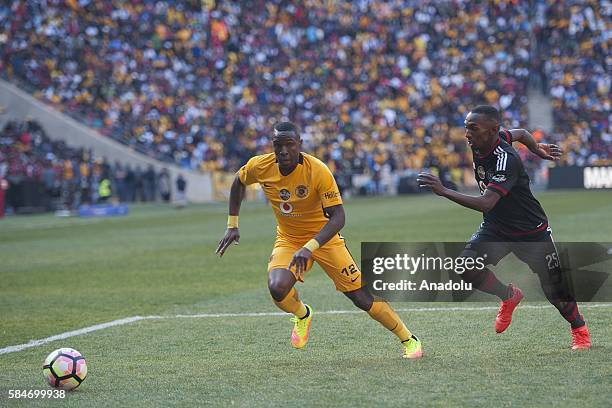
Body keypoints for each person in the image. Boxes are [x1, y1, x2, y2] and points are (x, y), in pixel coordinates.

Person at [216, 121, 423, 359]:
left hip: (325, 240)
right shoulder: (260, 166)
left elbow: (338, 217)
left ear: (300, 145)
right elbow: (238, 182)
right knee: (277, 288)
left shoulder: (318, 170)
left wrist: (310, 247)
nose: (283, 151)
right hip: (289, 240)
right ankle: (303, 314)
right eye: (278, 145)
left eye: (289, 145)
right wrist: (232, 224)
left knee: (361, 298)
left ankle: (409, 339)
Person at [417, 105, 591, 350]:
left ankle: (579, 329)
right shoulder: (484, 141)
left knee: (555, 290)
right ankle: (509, 296)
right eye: (466, 127)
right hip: (496, 228)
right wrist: (537, 148)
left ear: (492, 131)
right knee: (465, 267)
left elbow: (487, 202)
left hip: (532, 233)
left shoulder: (505, 159)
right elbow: (519, 133)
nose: (466, 134)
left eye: (473, 129)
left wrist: (444, 191)